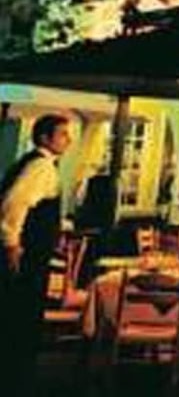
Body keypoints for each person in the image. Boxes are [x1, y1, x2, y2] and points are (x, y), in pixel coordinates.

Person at [0, 114, 72, 395]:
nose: (68, 139)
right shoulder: (40, 167)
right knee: (21, 316)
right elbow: (13, 206)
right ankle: (15, 380)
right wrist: (12, 246)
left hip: (29, 251)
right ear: (44, 138)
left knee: (17, 315)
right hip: (27, 256)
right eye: (62, 134)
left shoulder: (35, 163)